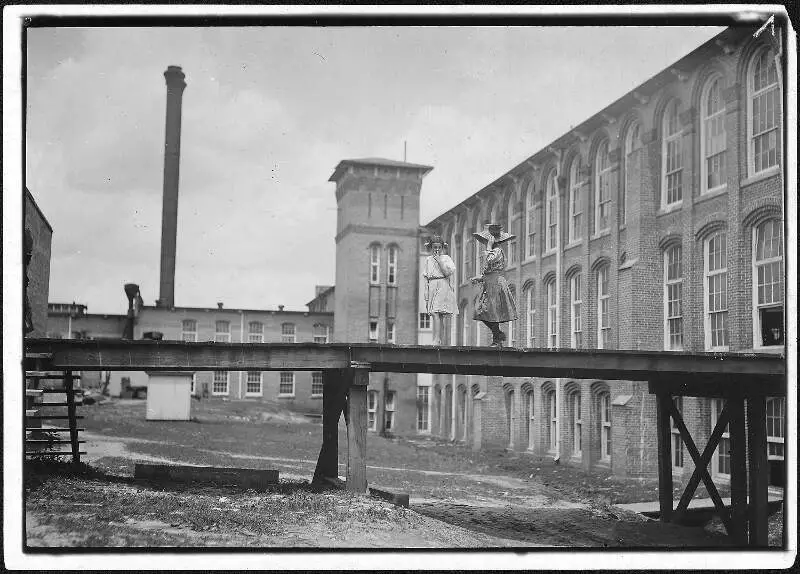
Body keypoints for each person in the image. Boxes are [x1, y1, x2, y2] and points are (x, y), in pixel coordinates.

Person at [470, 223, 518, 347]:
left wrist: (489, 246)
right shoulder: (492, 250)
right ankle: (498, 334)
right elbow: (489, 269)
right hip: (489, 282)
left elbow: (490, 260)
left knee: (491, 311)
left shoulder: (496, 250)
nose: (485, 242)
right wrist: (479, 278)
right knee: (481, 311)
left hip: (495, 283)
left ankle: (497, 339)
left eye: (487, 240)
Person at [423, 235, 458, 346]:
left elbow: (447, 273)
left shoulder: (446, 258)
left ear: (442, 247)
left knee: (435, 311)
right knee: (439, 315)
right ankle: (439, 339)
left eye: (439, 247)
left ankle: (437, 339)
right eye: (434, 247)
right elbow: (426, 276)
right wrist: (426, 290)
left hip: (442, 284)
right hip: (432, 285)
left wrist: (439, 261)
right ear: (431, 248)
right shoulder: (428, 259)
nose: (437, 249)